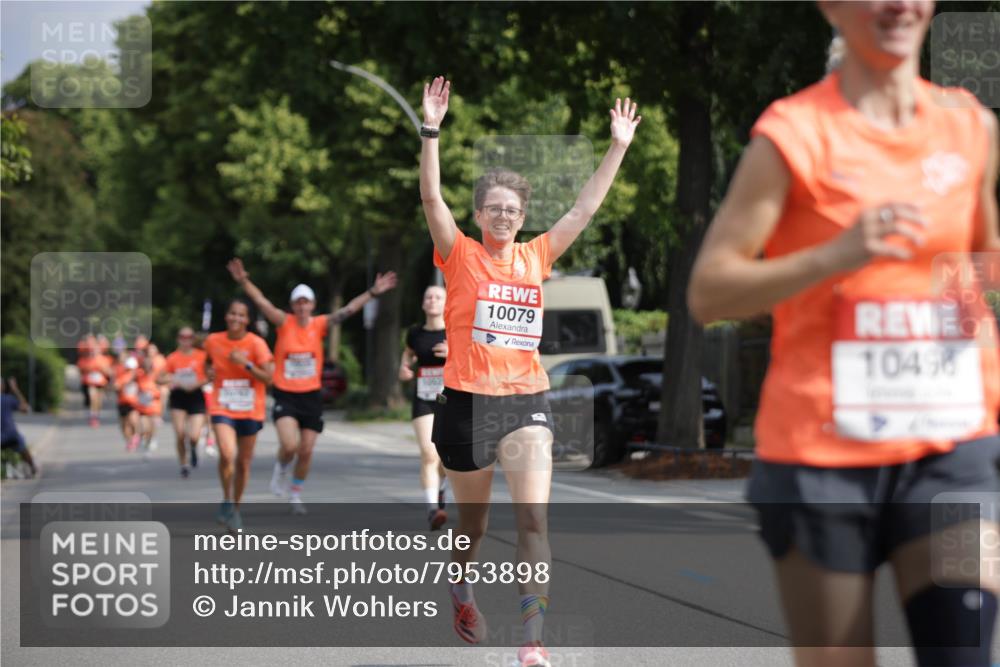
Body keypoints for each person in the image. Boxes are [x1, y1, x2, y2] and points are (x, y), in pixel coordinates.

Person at [688, 3, 1000, 666]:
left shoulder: (971, 127)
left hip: (952, 444)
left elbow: (981, 267)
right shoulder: (792, 135)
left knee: (967, 651)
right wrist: (836, 255)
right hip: (822, 455)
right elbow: (709, 292)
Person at [420, 75, 640, 666]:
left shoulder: (536, 255)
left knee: (533, 519)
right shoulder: (459, 254)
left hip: (525, 401)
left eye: (512, 210)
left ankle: (532, 640)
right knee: (473, 525)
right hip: (466, 402)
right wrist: (431, 131)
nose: (502, 216)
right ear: (478, 214)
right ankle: (460, 584)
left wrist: (617, 146)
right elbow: (432, 201)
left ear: (522, 217)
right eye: (493, 208)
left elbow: (585, 207)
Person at [227, 257, 397, 514]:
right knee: (290, 446)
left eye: (306, 302)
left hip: (311, 396)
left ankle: (295, 493)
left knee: (306, 451)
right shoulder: (283, 322)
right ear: (293, 305)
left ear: (313, 305)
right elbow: (262, 302)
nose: (302, 306)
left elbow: (349, 309)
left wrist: (373, 292)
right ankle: (281, 468)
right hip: (286, 393)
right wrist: (243, 281)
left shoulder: (320, 324)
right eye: (298, 302)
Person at [204, 298, 274, 531]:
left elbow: (269, 378)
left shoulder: (257, 344)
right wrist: (208, 371)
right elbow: (205, 363)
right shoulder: (213, 340)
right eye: (232, 313)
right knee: (227, 454)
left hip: (250, 409)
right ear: (226, 316)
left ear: (248, 319)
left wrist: (246, 364)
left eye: (241, 315)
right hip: (222, 405)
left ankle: (235, 508)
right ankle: (226, 497)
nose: (236, 318)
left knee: (243, 463)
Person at [398, 285, 449, 530]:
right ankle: (432, 510)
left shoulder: (454, 331)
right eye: (428, 296)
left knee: (446, 458)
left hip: (451, 399)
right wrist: (404, 367)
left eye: (438, 297)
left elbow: (472, 355)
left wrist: (452, 351)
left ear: (446, 303)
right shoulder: (415, 333)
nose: (432, 300)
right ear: (423, 303)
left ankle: (440, 489)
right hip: (424, 398)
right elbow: (408, 354)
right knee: (429, 453)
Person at [160, 327, 208, 478]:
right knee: (180, 434)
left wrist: (196, 384)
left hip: (196, 395)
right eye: (182, 337)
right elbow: (160, 378)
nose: (185, 340)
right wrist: (173, 380)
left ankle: (193, 448)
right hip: (178, 396)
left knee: (194, 435)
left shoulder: (201, 356)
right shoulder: (172, 357)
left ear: (193, 339)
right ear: (178, 339)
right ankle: (184, 464)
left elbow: (210, 375)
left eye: (189, 337)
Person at [1, 377, 37, 477]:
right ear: (2, 387)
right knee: (23, 449)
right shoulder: (8, 399)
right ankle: (32, 467)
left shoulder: (7, 399)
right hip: (11, 435)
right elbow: (26, 408)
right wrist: (15, 389)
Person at [79, 337, 112, 427]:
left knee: (98, 401)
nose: (93, 352)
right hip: (91, 382)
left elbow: (109, 372)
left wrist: (102, 370)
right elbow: (82, 370)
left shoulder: (104, 359)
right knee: (92, 397)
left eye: (96, 350)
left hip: (101, 382)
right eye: (92, 350)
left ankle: (96, 415)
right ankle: (92, 416)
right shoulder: (87, 359)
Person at [112, 352, 141, 451]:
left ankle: (136, 436)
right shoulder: (121, 374)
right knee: (124, 426)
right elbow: (115, 386)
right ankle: (129, 441)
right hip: (122, 402)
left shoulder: (139, 375)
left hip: (134, 403)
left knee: (133, 420)